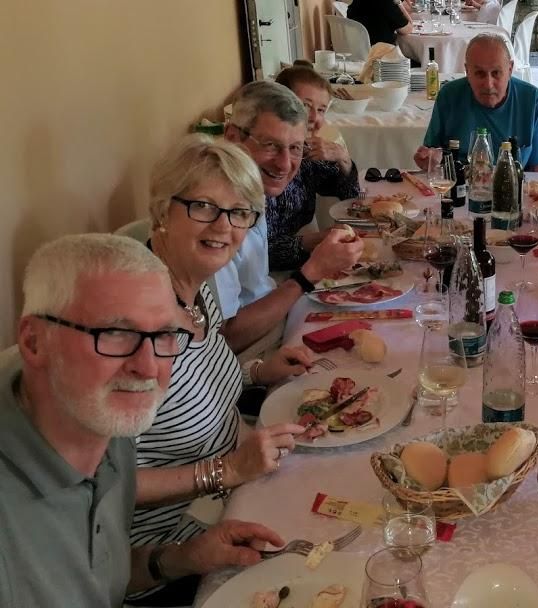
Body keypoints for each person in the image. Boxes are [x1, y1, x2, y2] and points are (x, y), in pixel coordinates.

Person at [0, 233, 285, 607]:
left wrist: (182, 557)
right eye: (116, 334)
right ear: (34, 341)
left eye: (165, 334)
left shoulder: (109, 431)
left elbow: (98, 581)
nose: (148, 368)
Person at [127, 135, 311, 605]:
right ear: (162, 210)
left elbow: (199, 384)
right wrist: (222, 472)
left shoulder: (196, 285)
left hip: (237, 493)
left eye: (240, 213)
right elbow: (100, 483)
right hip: (170, 555)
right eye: (205, 207)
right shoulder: (130, 329)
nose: (224, 227)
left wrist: (255, 371)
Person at [216, 81, 365, 354]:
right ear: (233, 137)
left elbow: (351, 195)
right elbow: (226, 339)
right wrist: (311, 272)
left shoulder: (251, 190)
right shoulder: (212, 217)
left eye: (295, 148)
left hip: (278, 313)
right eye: (270, 145)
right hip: (252, 351)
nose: (285, 163)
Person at [258, 72, 360, 273]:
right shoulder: (262, 163)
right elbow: (256, 254)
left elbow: (350, 198)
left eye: (321, 110)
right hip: (266, 280)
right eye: (305, 106)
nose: (314, 118)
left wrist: (344, 159)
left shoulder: (306, 154)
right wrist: (310, 242)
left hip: (299, 270)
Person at [414, 33, 538, 172]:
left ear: (509, 70)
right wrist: (429, 160)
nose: (488, 84)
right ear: (467, 71)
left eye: (496, 73)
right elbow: (431, 156)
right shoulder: (449, 96)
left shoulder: (532, 99)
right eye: (480, 73)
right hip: (460, 187)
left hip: (513, 188)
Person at [347, 0, 414, 46]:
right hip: (383, 56)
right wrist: (399, 3)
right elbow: (407, 29)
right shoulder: (387, 4)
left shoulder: (357, 2)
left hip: (358, 51)